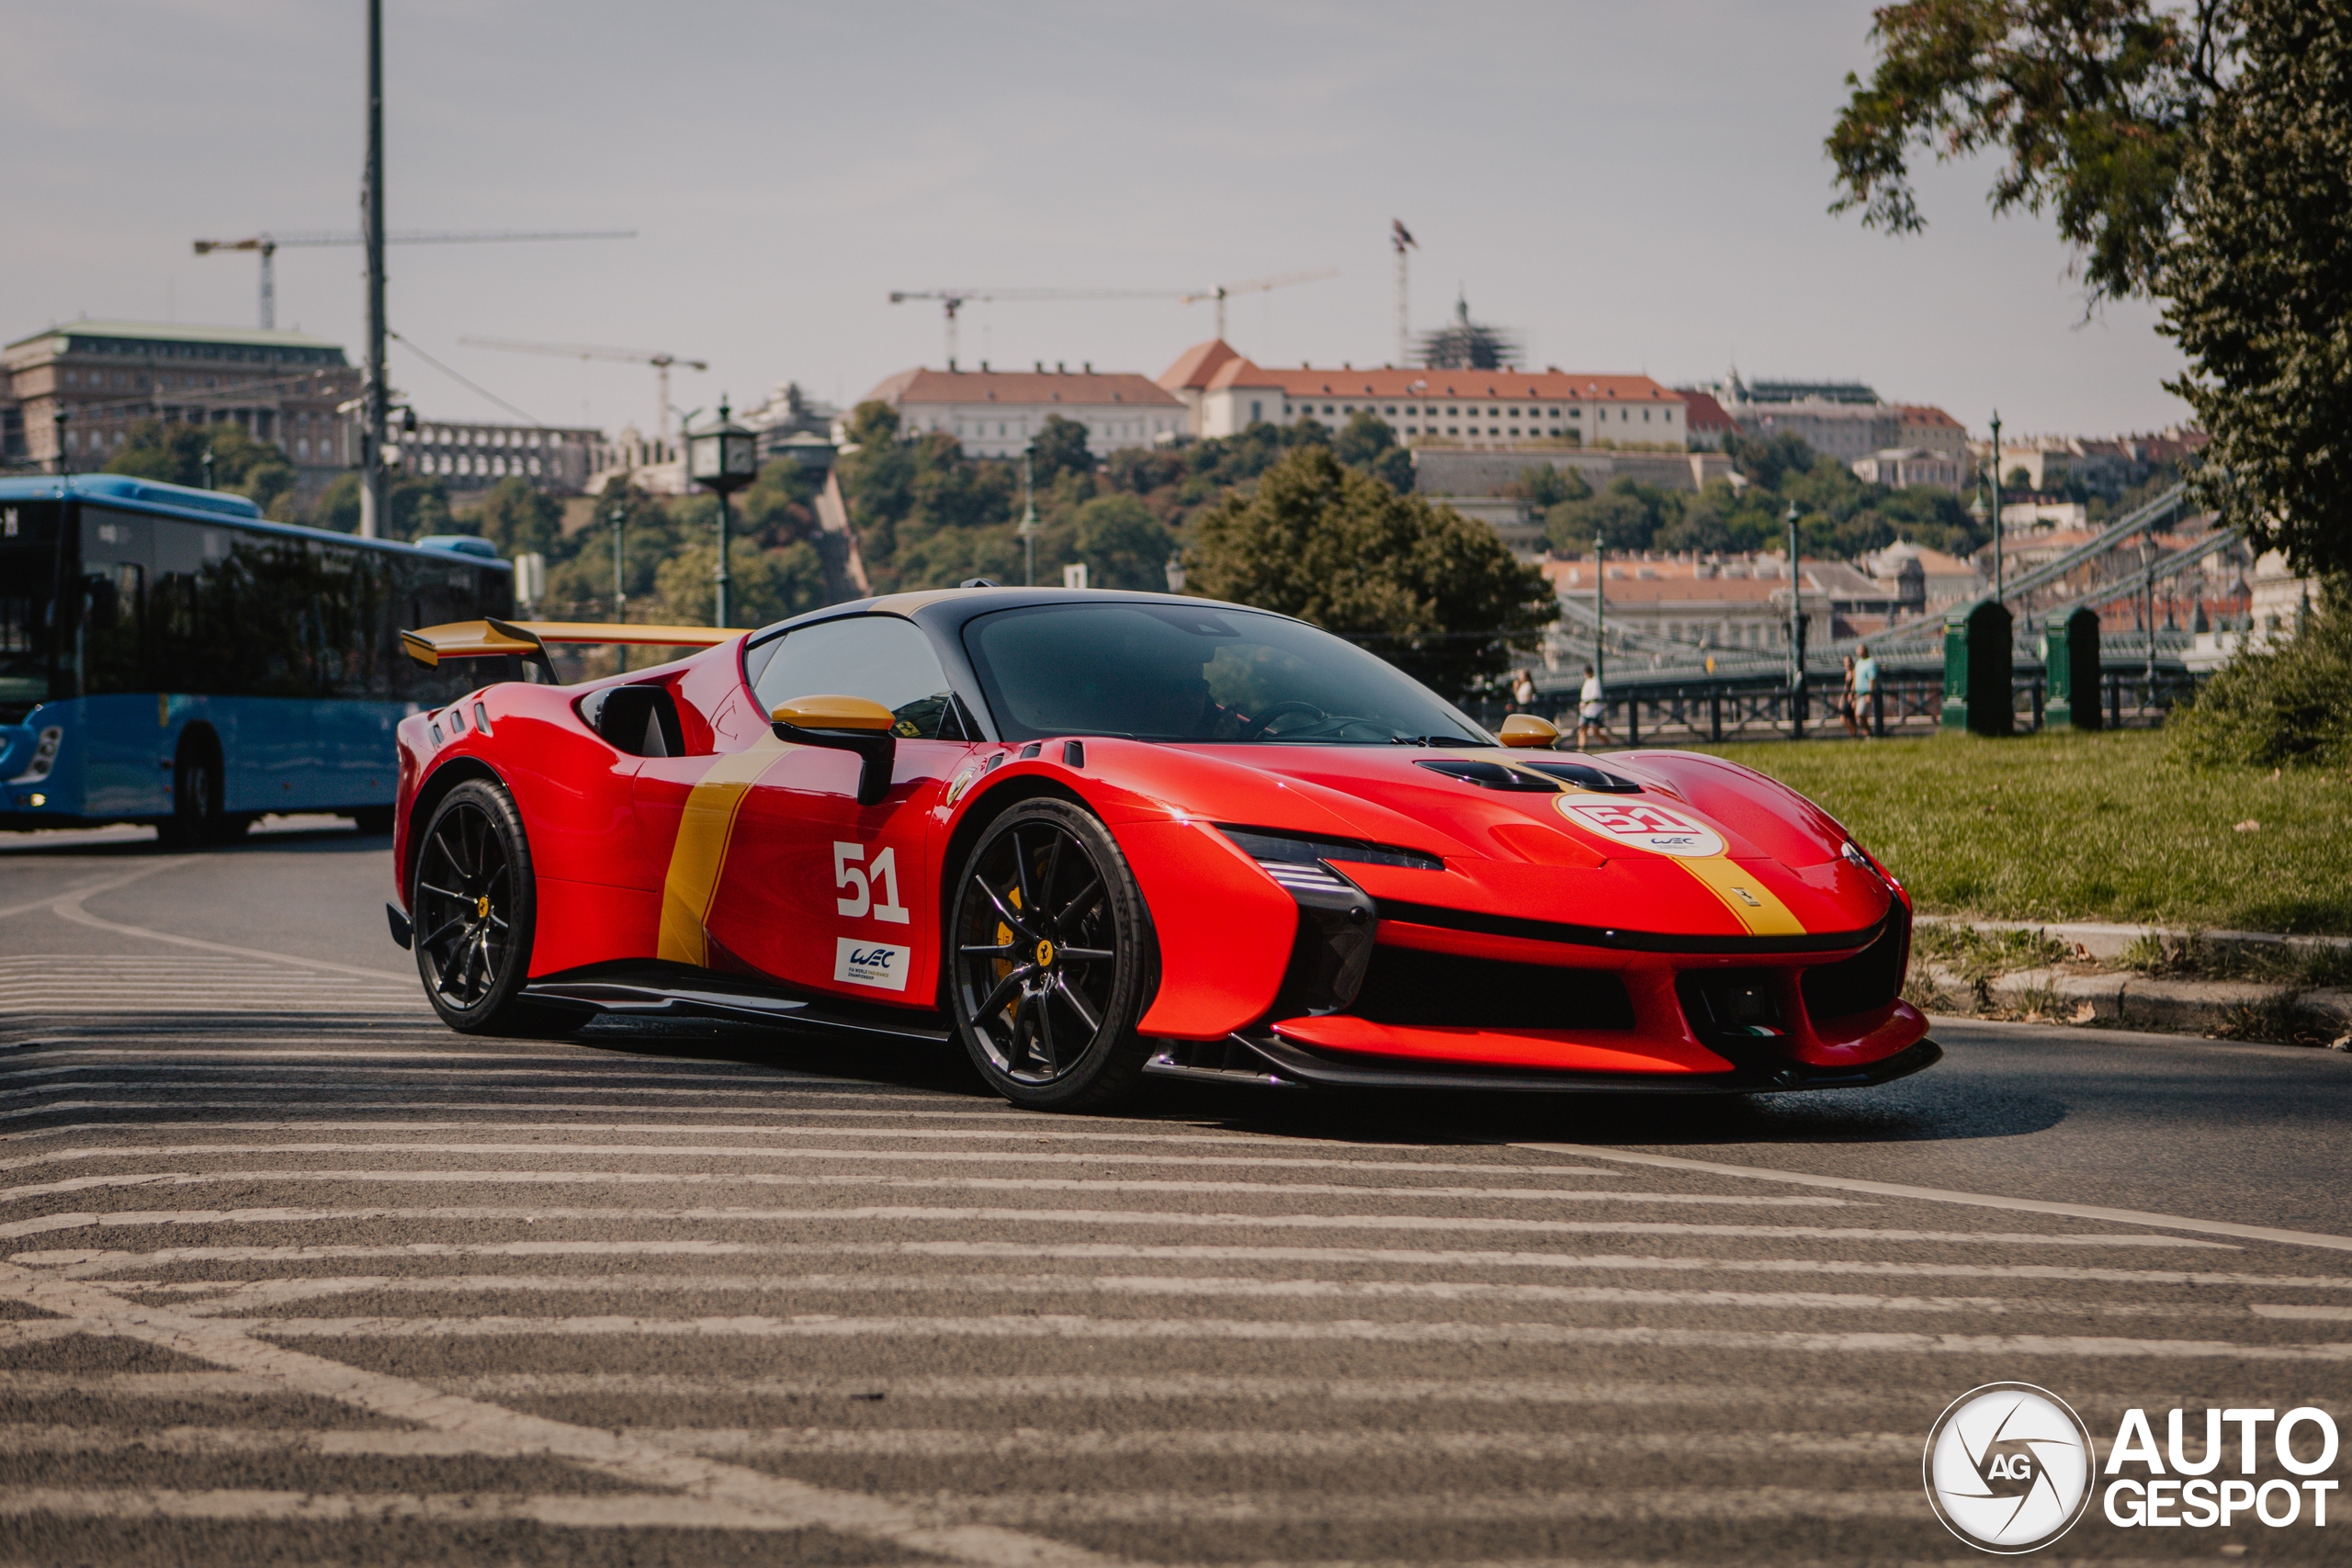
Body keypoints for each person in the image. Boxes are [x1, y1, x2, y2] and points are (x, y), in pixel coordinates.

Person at [1577, 663, 1607, 750]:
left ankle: (1607, 743)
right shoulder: (1586, 682)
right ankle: (1581, 749)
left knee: (1595, 731)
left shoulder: (1595, 681)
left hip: (1593, 711)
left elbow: (1594, 696)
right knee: (1582, 729)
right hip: (1585, 711)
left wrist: (1586, 703)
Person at [1852, 643, 1878, 737]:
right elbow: (1855, 678)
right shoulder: (1858, 663)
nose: (1858, 652)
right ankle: (1867, 735)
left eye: (1860, 650)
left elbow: (1872, 679)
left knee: (1860, 714)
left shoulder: (1870, 662)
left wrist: (1870, 693)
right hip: (1858, 692)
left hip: (1865, 692)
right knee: (1858, 716)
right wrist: (1853, 692)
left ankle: (1869, 733)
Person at [1838, 652, 1861, 738]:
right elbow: (1845, 688)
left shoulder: (1854, 672)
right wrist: (1842, 699)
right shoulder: (1847, 674)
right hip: (1847, 698)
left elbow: (1854, 686)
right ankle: (1852, 734)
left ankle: (1854, 734)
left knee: (1848, 718)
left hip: (1851, 698)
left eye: (1849, 661)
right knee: (1845, 719)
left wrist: (1853, 698)